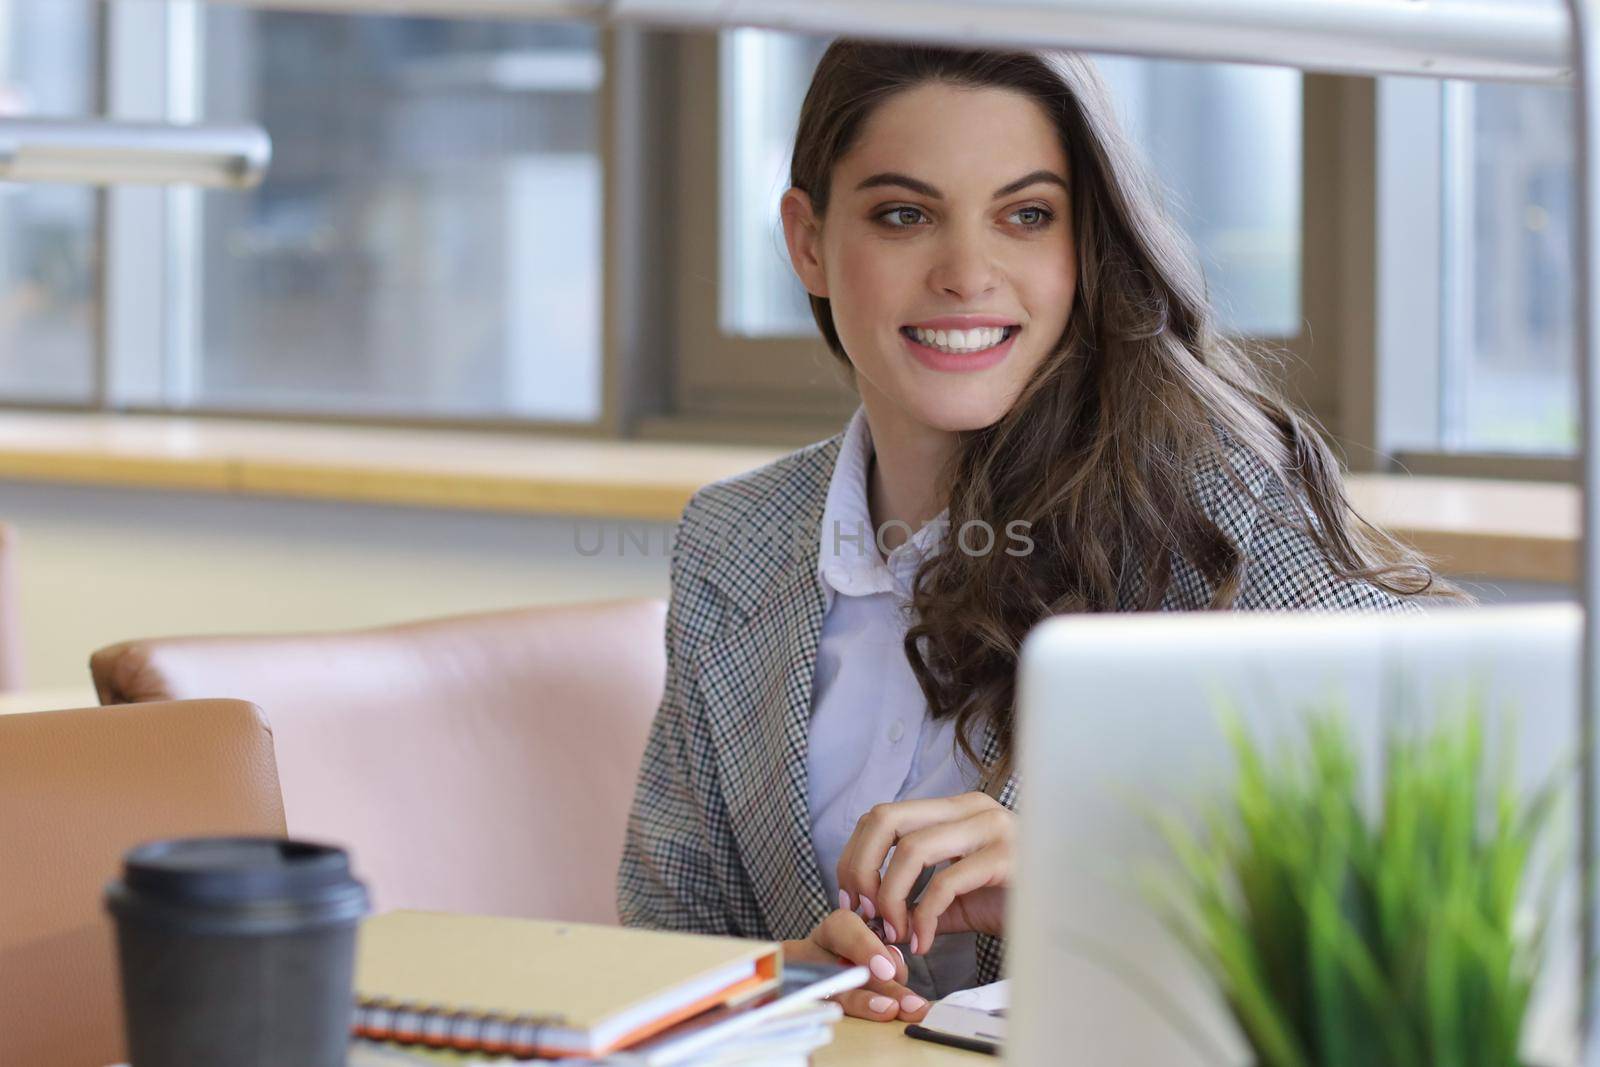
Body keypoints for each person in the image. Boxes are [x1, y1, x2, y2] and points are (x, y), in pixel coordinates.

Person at [617, 40, 1449, 1025]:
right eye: (902, 214)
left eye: (1026, 215)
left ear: (1082, 243)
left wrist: (1090, 864)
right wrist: (792, 983)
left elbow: (1444, 821)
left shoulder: (1213, 502)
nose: (967, 273)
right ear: (807, 240)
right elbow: (667, 951)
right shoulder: (734, 537)